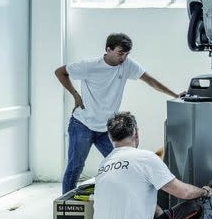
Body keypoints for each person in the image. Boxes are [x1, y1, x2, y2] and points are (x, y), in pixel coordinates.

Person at [55, 33, 181, 193]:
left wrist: (175, 95)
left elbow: (151, 81)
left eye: (127, 54)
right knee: (75, 167)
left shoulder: (127, 64)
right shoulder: (89, 66)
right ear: (108, 49)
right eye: (121, 53)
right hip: (82, 124)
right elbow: (60, 72)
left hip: (107, 129)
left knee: (126, 163)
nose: (124, 57)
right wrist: (75, 95)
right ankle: (65, 208)